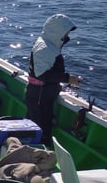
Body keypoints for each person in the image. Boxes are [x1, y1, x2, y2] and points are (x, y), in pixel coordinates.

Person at [25, 14, 81, 146]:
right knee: (40, 129)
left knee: (38, 125)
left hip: (41, 94)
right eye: (66, 32)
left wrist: (58, 85)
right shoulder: (45, 48)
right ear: (57, 31)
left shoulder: (50, 44)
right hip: (39, 97)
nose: (67, 35)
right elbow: (41, 74)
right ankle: (38, 152)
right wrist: (67, 78)